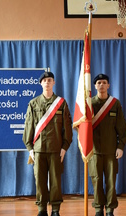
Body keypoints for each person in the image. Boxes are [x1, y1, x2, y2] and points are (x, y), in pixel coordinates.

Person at [22, 71, 73, 216]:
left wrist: (65, 147)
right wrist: (30, 148)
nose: (47, 82)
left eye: (50, 80)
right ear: (41, 84)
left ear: (54, 82)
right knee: (40, 180)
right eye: (44, 80)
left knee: (56, 180)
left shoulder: (61, 103)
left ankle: (55, 209)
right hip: (38, 150)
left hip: (56, 149)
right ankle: (42, 209)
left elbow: (67, 127)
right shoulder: (33, 103)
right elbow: (29, 127)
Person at [89, 74, 126, 216]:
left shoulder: (115, 104)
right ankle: (99, 208)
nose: (101, 85)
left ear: (108, 85)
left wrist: (120, 146)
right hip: (94, 150)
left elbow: (123, 129)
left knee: (111, 181)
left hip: (111, 150)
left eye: (104, 82)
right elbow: (82, 128)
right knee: (97, 180)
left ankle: (110, 209)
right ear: (95, 86)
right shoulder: (89, 104)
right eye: (98, 82)